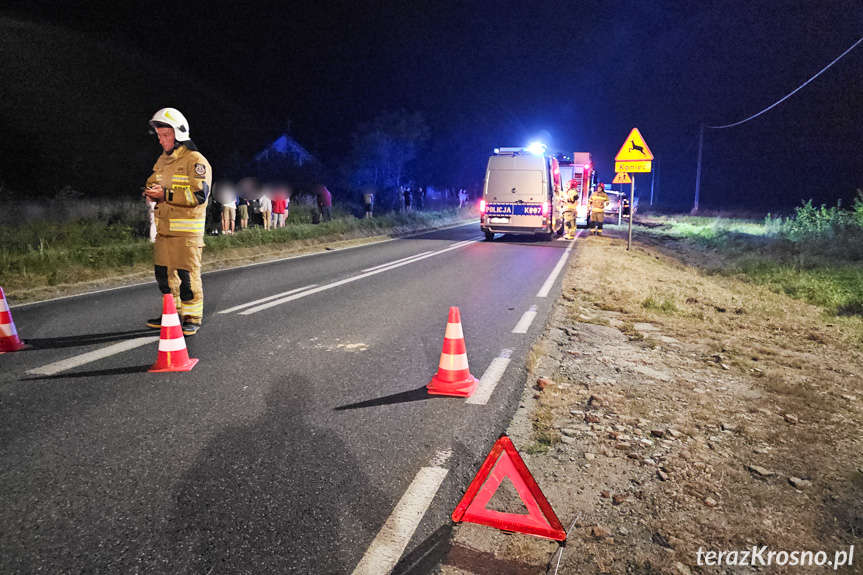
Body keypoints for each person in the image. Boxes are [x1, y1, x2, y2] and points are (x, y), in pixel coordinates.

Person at [142, 107, 212, 336]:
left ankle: (192, 317)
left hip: (187, 233)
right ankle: (172, 314)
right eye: (159, 136)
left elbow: (200, 195)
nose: (161, 140)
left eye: (166, 135)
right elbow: (153, 181)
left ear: (179, 134)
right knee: (164, 275)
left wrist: (165, 195)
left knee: (187, 276)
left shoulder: (196, 161)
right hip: (165, 230)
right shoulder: (163, 161)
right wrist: (150, 191)